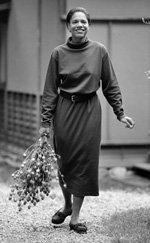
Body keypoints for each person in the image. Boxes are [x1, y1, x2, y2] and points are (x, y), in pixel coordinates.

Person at [39, 7, 135, 234]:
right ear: (69, 26)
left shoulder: (99, 51)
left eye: (84, 22)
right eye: (76, 21)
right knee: (64, 160)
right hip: (64, 110)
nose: (80, 25)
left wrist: (120, 112)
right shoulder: (58, 53)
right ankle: (67, 205)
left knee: (84, 161)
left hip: (89, 110)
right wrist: (45, 123)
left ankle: (76, 218)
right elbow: (50, 91)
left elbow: (110, 84)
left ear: (89, 25)